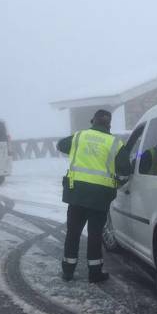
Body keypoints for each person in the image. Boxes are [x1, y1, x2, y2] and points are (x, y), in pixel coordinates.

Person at [56, 109, 123, 283]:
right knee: (95, 235)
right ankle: (94, 273)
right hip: (100, 197)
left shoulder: (79, 137)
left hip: (77, 194)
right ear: (108, 124)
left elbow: (61, 145)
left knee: (73, 233)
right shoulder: (115, 143)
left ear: (93, 121)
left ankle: (68, 271)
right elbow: (125, 168)